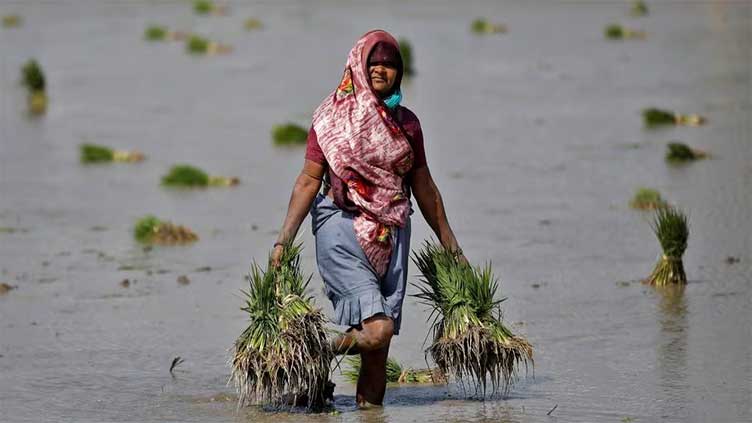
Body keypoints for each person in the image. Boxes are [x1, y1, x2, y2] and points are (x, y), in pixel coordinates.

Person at [270, 29, 465, 408]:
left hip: (391, 234)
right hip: (340, 229)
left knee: (379, 352)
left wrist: (452, 247)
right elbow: (309, 180)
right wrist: (283, 240)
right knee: (378, 330)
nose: (381, 69)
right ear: (357, 66)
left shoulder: (407, 124)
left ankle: (365, 412)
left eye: (391, 64)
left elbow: (423, 186)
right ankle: (319, 351)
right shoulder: (331, 119)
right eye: (374, 62)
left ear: (400, 73)